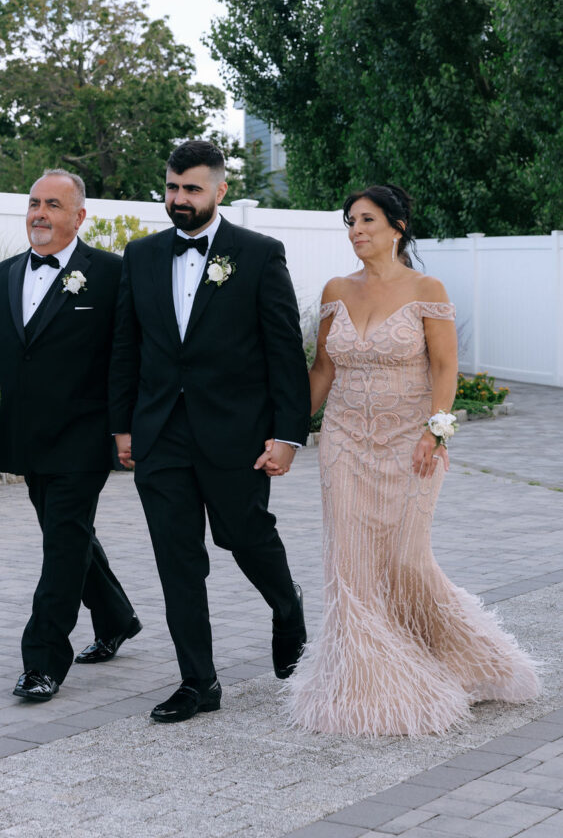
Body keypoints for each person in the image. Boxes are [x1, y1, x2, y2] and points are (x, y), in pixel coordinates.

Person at [286, 184, 539, 736]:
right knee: (351, 564)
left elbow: (446, 368)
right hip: (345, 443)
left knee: (405, 559)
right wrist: (286, 432)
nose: (356, 231)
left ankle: (467, 657)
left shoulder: (428, 289)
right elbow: (324, 370)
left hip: (411, 445)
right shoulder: (335, 290)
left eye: (368, 220)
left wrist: (436, 433)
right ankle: (367, 684)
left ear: (397, 227)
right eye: (350, 222)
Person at [110, 140, 311, 723]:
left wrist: (287, 435)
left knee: (245, 537)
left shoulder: (258, 254)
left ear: (220, 190)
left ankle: (286, 606)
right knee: (178, 560)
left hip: (235, 434)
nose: (179, 199)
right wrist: (122, 426)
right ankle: (199, 681)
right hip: (160, 436)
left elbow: (284, 353)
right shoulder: (141, 256)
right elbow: (127, 348)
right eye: (172, 187)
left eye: (192, 189)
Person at [0, 169, 140, 702]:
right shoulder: (0, 277)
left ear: (79, 217)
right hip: (26, 435)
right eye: (34, 202)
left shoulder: (110, 274)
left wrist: (128, 425)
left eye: (53, 204)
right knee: (69, 533)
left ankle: (42, 660)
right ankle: (117, 617)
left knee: (62, 541)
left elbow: (128, 356)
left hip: (84, 434)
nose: (40, 212)